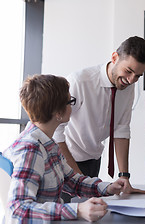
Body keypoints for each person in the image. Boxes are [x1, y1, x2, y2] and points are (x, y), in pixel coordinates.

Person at [3, 74, 131, 222]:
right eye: (70, 101)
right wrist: (77, 210)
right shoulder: (30, 150)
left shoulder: (48, 144)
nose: (72, 106)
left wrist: (107, 188)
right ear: (57, 112)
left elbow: (72, 181)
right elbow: (18, 209)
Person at [53, 36, 145, 195]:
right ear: (114, 58)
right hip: (66, 160)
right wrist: (77, 177)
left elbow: (121, 129)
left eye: (138, 76)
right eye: (129, 71)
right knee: (66, 215)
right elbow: (56, 132)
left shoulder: (128, 86)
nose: (132, 80)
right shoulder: (80, 81)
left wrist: (124, 176)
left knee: (88, 215)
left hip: (93, 160)